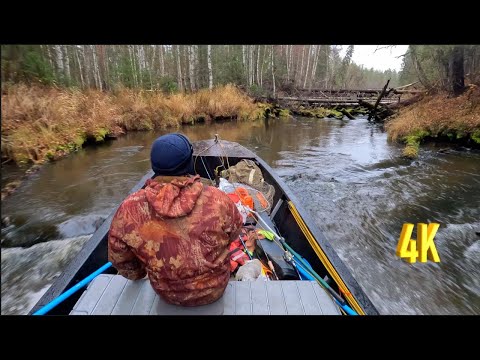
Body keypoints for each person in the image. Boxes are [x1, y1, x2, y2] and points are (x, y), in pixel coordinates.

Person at [108, 133, 244, 306]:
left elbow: (119, 258)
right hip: (214, 290)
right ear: (189, 163)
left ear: (154, 165)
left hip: (167, 295)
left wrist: (139, 272)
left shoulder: (129, 208)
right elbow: (235, 232)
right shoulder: (217, 198)